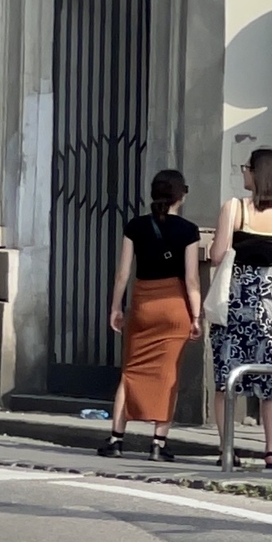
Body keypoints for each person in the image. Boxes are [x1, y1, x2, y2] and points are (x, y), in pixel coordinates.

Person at [209, 148, 272, 471]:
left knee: (227, 379)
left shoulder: (234, 209)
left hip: (238, 300)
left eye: (246, 168)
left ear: (258, 173)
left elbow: (217, 254)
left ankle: (227, 449)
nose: (243, 173)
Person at [100, 168, 201, 461]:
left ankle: (116, 439)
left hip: (143, 303)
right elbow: (192, 280)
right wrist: (196, 317)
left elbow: (122, 274)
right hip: (174, 306)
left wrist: (116, 307)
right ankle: (158, 443)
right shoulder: (188, 230)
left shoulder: (135, 226)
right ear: (181, 196)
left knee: (131, 372)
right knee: (168, 375)